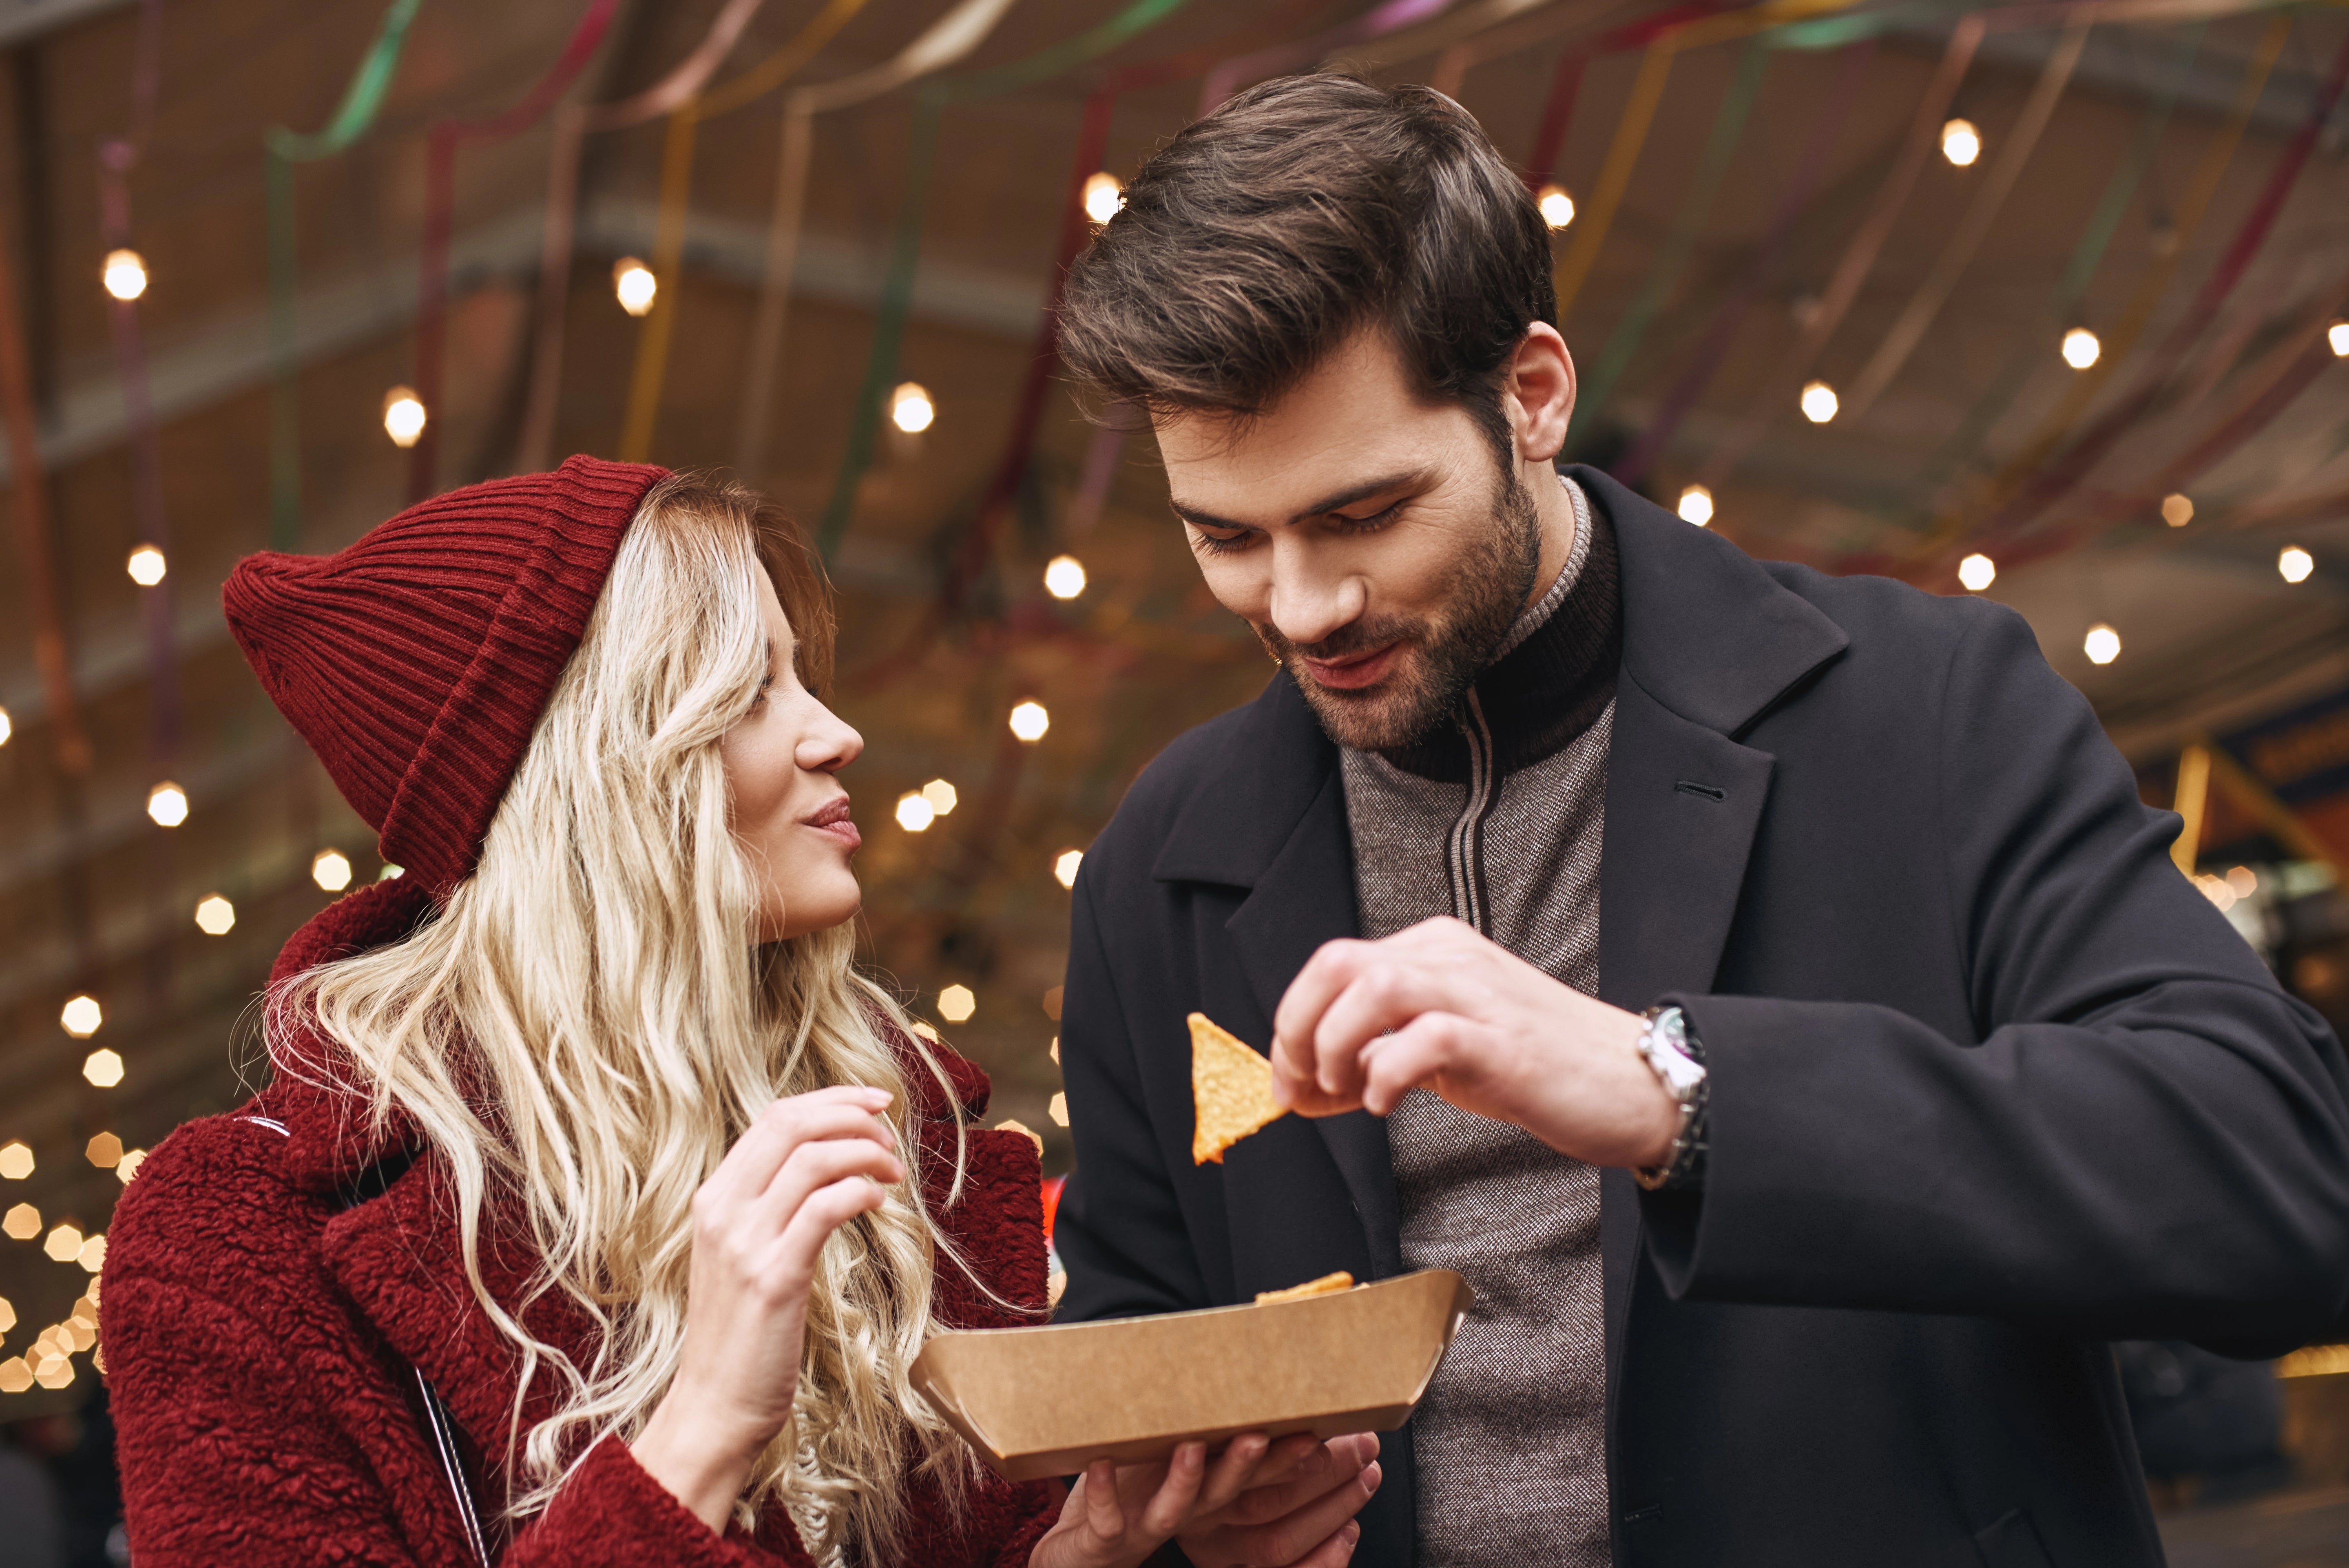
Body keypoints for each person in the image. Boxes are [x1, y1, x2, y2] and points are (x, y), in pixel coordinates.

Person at [1046, 73, 2349, 1568]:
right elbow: (1135, 1360)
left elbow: (2281, 1183)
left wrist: (1679, 1090)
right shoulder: (1162, 860)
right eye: (1227, 538)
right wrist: (1188, 1526)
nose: (1301, 607)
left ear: (1532, 395)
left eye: (1363, 514)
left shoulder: (1921, 709)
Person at [101, 460, 1380, 1568]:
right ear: (598, 775)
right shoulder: (239, 1236)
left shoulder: (903, 1142)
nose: (836, 734)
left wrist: (1093, 1550)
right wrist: (700, 1429)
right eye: (753, 689)